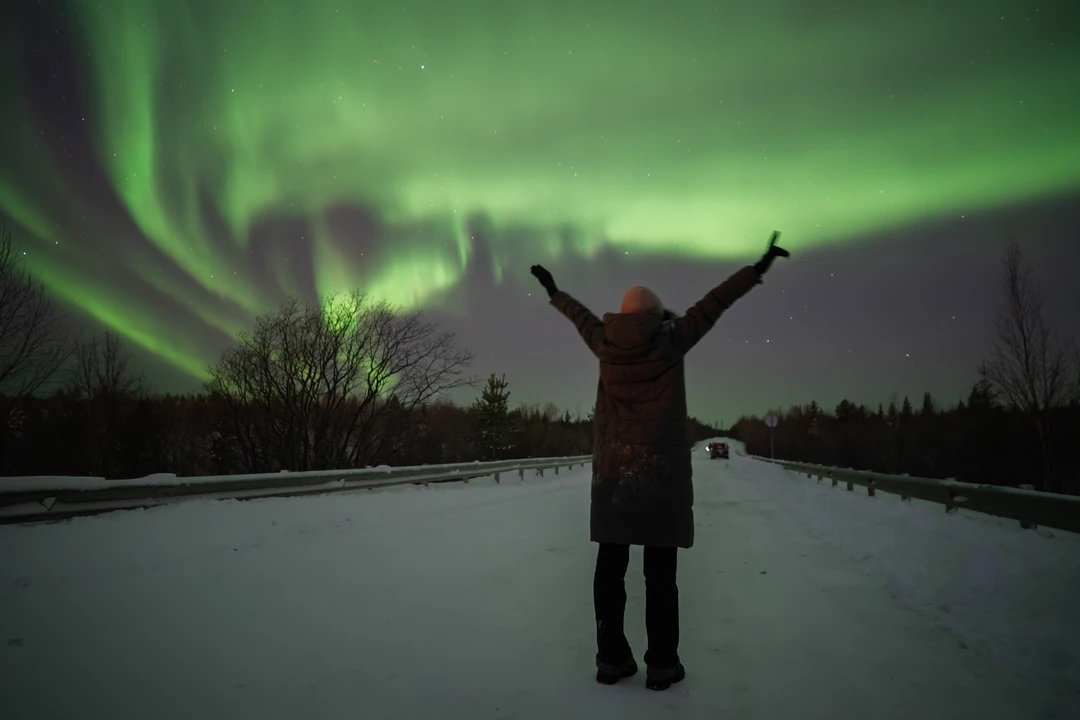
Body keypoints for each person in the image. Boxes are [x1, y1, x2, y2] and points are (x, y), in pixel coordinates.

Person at [529, 232, 790, 691]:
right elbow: (715, 303)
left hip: (614, 472)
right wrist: (759, 267)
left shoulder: (605, 342)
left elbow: (580, 317)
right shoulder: (671, 340)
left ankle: (611, 661)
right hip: (660, 476)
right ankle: (663, 667)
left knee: (609, 569)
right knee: (660, 576)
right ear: (655, 314)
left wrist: (554, 291)